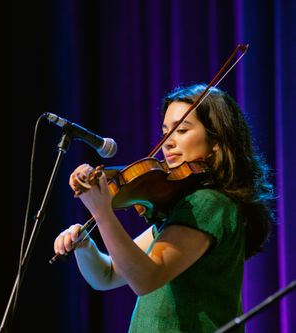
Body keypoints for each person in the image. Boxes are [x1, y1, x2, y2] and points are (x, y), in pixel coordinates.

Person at [53, 83, 275, 332]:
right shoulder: (182, 208)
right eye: (166, 132)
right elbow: (107, 275)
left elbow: (146, 278)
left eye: (182, 130)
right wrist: (85, 246)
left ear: (216, 139)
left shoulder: (210, 203)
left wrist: (103, 215)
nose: (168, 142)